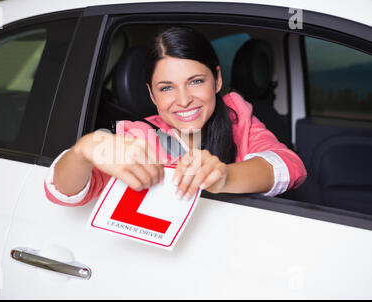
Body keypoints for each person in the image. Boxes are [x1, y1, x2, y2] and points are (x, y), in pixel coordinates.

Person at [44, 26, 307, 207]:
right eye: (167, 88)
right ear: (151, 94)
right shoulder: (137, 138)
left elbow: (290, 167)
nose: (183, 100)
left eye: (195, 81)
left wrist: (225, 176)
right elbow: (64, 193)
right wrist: (83, 151)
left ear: (217, 80)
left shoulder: (236, 115)